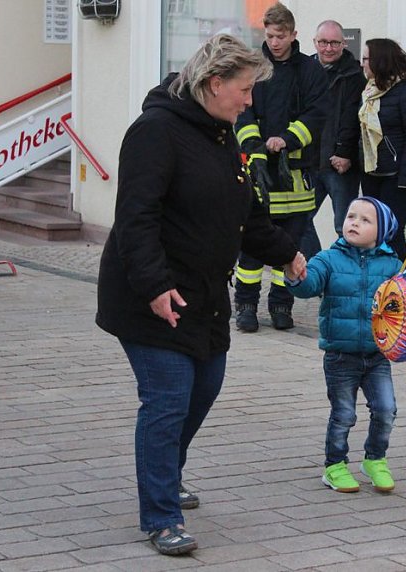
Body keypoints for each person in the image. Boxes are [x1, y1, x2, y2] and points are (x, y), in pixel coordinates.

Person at [95, 34, 306, 556]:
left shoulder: (221, 133)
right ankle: (161, 515)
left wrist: (286, 252)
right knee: (167, 399)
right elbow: (135, 218)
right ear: (214, 84)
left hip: (206, 293)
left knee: (204, 387)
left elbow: (247, 213)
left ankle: (165, 472)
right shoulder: (155, 132)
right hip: (152, 295)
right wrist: (154, 286)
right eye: (245, 89)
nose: (249, 100)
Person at [285, 197, 402, 494]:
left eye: (365, 220)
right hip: (340, 355)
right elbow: (309, 286)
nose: (354, 223)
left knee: (386, 409)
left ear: (382, 231)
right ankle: (335, 466)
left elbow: (401, 306)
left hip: (377, 355)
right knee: (343, 414)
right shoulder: (328, 259)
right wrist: (295, 275)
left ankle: (375, 459)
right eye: (351, 216)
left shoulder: (391, 265)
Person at [234, 1, 329, 333]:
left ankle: (280, 305)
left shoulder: (309, 70)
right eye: (270, 35)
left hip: (296, 171)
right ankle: (245, 304)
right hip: (259, 170)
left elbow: (317, 114)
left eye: (281, 36)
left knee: (289, 244)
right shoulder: (254, 67)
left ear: (293, 35)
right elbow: (242, 112)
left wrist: (287, 139)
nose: (274, 42)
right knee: (252, 244)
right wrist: (254, 146)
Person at [299, 20, 367, 260]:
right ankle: (319, 270)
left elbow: (354, 118)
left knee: (346, 227)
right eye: (323, 42)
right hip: (308, 160)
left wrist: (344, 152)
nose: (328, 48)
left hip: (340, 164)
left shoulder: (355, 75)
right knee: (300, 220)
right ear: (315, 42)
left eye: (334, 43)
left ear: (343, 43)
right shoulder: (303, 69)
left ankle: (342, 280)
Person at [359, 38, 406, 262]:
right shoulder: (369, 91)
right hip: (373, 172)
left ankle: (402, 288)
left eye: (367, 58)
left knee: (392, 232)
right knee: (373, 233)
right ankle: (380, 286)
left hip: (399, 176)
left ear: (380, 61)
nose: (363, 64)